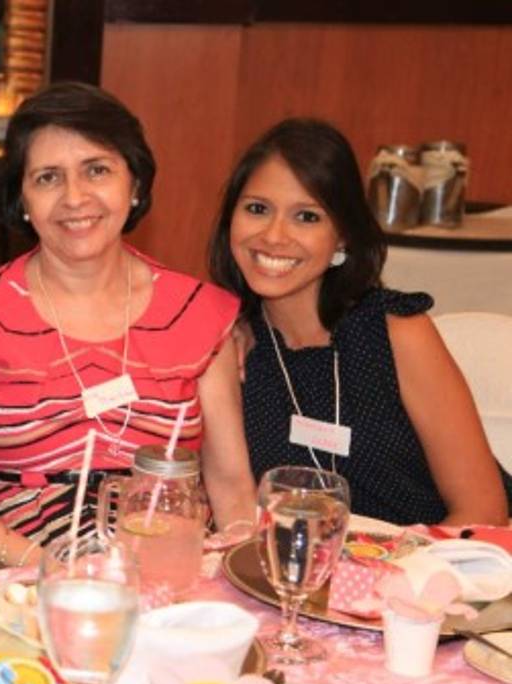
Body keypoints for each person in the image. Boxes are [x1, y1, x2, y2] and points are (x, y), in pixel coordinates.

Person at [0, 82, 256, 576]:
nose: (75, 198)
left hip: (168, 578)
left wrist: (240, 591)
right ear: (23, 200)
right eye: (48, 178)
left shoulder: (198, 316)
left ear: (134, 184)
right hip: (22, 585)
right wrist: (50, 570)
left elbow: (231, 486)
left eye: (96, 170)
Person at [209, 118, 511, 525]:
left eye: (307, 217)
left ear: (343, 236)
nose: (274, 236)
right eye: (257, 209)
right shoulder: (232, 344)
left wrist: (393, 579)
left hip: (438, 567)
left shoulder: (394, 333)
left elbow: (483, 512)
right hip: (301, 575)